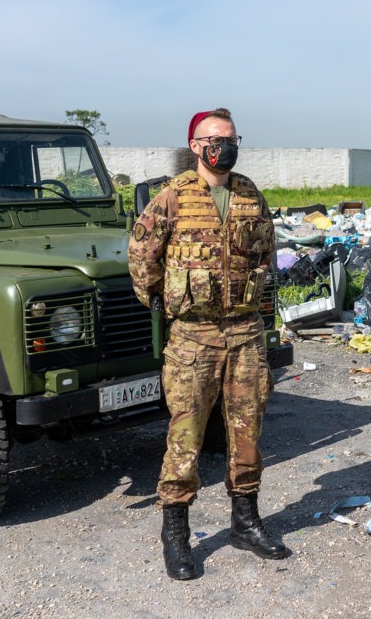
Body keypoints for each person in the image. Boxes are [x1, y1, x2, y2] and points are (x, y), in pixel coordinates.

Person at [128, 108, 289, 581]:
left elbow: (266, 252)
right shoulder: (172, 196)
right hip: (193, 337)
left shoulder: (250, 194)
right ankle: (176, 534)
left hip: (245, 333)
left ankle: (245, 523)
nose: (225, 146)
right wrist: (166, 301)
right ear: (196, 146)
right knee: (186, 437)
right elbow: (142, 256)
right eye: (216, 139)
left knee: (247, 433)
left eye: (232, 138)